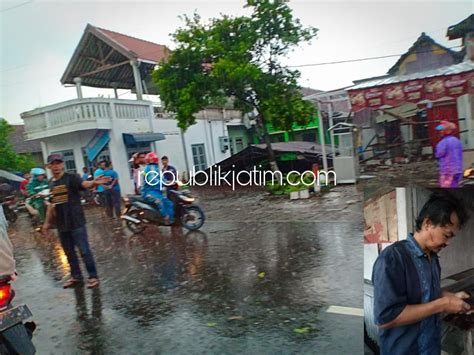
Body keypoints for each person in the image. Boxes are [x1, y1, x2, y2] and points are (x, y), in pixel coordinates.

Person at [372, 192, 471, 355]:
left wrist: (448, 296)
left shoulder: (432, 258)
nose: (448, 242)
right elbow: (386, 318)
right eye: (446, 235)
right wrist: (443, 304)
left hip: (431, 348)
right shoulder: (392, 258)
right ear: (427, 223)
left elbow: (424, 294)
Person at [42, 153, 111, 289]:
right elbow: (52, 204)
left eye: (59, 163)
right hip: (62, 223)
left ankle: (93, 277)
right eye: (53, 164)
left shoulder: (72, 178)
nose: (56, 166)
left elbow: (84, 184)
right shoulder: (51, 183)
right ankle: (76, 276)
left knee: (84, 250)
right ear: (49, 166)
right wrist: (47, 224)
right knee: (69, 252)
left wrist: (93, 182)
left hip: (76, 221)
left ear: (63, 164)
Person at [141, 152, 174, 224]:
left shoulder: (156, 168)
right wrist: (164, 183)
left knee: (169, 203)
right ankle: (164, 217)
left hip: (156, 191)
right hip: (148, 192)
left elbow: (161, 178)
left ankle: (171, 219)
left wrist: (168, 182)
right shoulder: (150, 168)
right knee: (160, 201)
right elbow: (153, 179)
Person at [435, 120, 463, 188]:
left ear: (446, 131)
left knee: (446, 187)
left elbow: (439, 154)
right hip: (458, 169)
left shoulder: (443, 142)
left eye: (441, 130)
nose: (440, 132)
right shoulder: (457, 141)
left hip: (447, 170)